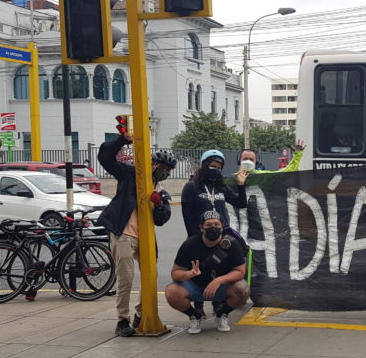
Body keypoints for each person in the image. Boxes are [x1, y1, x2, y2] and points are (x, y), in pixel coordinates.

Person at [96, 133, 176, 337]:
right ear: (152, 164)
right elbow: (105, 158)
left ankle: (142, 314)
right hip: (124, 232)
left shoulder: (162, 191)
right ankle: (122, 320)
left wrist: (158, 204)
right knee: (126, 278)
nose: (164, 172)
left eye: (168, 170)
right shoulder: (130, 174)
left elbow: (162, 219)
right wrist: (121, 141)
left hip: (146, 238)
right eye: (162, 167)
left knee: (151, 277)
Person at [166, 210, 250, 334]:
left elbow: (240, 272)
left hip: (221, 287)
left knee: (243, 288)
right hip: (195, 286)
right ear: (201, 228)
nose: (213, 228)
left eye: (216, 224)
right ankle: (195, 316)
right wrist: (189, 274)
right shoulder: (190, 245)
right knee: (171, 291)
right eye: (209, 225)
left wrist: (219, 280)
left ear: (222, 226)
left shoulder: (232, 244)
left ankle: (222, 315)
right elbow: (175, 273)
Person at [181, 150, 249, 237]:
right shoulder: (191, 187)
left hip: (221, 236)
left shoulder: (221, 186)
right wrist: (196, 239)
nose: (216, 169)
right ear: (204, 166)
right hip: (201, 237)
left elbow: (241, 204)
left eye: (219, 168)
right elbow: (188, 217)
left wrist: (240, 184)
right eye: (213, 166)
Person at [237, 140, 306, 173]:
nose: (248, 161)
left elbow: (288, 171)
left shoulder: (263, 176)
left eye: (251, 159)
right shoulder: (232, 179)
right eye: (245, 159)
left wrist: (297, 155)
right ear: (239, 161)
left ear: (256, 163)